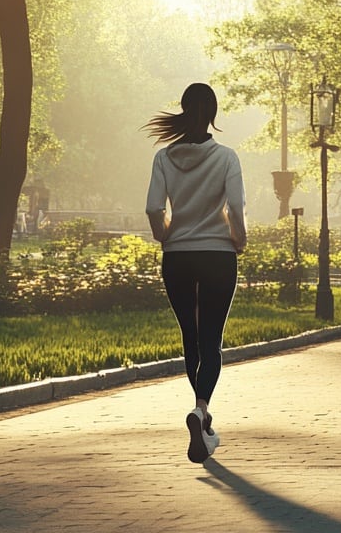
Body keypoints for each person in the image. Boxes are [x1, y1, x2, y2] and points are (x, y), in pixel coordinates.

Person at [145, 82, 247, 464]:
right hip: (218, 254)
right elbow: (235, 206)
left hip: (178, 257)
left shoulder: (163, 158)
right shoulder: (226, 157)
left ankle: (202, 422)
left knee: (190, 334)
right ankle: (201, 411)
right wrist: (239, 239)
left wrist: (167, 235)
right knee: (212, 340)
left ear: (183, 110)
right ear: (214, 115)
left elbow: (154, 208)